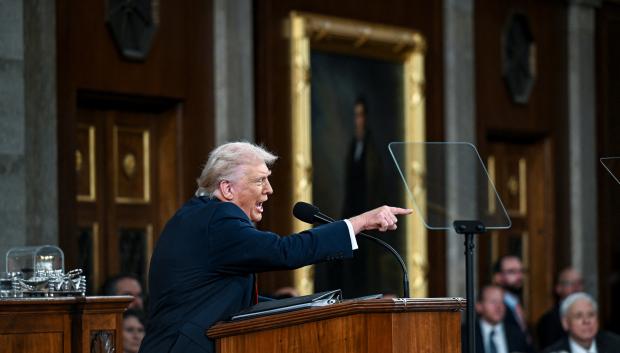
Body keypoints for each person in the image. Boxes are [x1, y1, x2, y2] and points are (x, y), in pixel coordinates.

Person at [138, 142, 412, 353]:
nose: (269, 190)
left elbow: (227, 299)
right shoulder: (218, 218)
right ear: (227, 189)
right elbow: (283, 251)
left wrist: (314, 307)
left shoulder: (199, 216)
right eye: (259, 180)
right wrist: (357, 223)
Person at [464, 284, 533, 353]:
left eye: (502, 302)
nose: (499, 307)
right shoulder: (465, 334)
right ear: (479, 306)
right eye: (493, 302)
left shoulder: (517, 334)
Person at [542, 292, 620, 353]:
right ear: (565, 323)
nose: (586, 321)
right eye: (578, 316)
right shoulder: (553, 351)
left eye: (591, 315)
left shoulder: (616, 345)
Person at [536, 267, 584, 350]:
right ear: (558, 288)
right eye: (570, 283)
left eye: (579, 283)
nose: (576, 288)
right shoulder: (548, 320)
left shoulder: (591, 316)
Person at [492, 255, 528, 335]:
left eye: (521, 271)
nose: (519, 276)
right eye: (512, 272)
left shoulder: (516, 301)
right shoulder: (493, 305)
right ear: (498, 277)